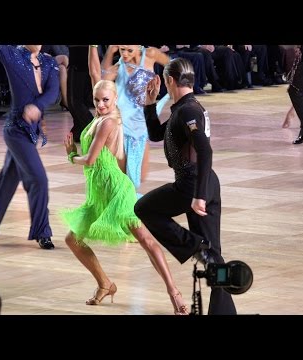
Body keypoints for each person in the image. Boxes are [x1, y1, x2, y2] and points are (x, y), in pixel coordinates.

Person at [61, 79, 188, 315]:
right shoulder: (98, 119)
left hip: (117, 193)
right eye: (97, 100)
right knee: (73, 240)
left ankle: (174, 292)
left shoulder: (108, 122)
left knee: (147, 241)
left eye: (105, 100)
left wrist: (71, 156)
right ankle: (105, 284)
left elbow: (89, 159)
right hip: (98, 195)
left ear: (115, 99)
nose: (100, 104)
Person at [134, 57, 237, 315]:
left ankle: (193, 246)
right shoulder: (184, 108)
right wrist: (150, 103)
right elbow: (157, 134)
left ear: (170, 81)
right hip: (204, 182)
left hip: (192, 185)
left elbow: (204, 149)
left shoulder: (188, 111)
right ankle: (224, 311)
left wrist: (199, 196)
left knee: (145, 208)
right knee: (214, 257)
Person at [0, 45, 59, 249]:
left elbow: (53, 92)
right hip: (16, 131)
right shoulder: (12, 55)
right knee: (38, 179)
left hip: (32, 132)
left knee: (8, 179)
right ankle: (42, 232)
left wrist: (37, 106)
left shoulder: (49, 62)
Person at [101, 45, 170, 192]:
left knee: (139, 177)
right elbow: (101, 80)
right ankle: (121, 205)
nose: (125, 54)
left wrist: (164, 85)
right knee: (122, 175)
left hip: (143, 121)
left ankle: (127, 204)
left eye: (129, 50)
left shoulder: (150, 54)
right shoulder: (119, 66)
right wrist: (110, 52)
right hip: (123, 123)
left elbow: (171, 66)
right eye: (121, 50)